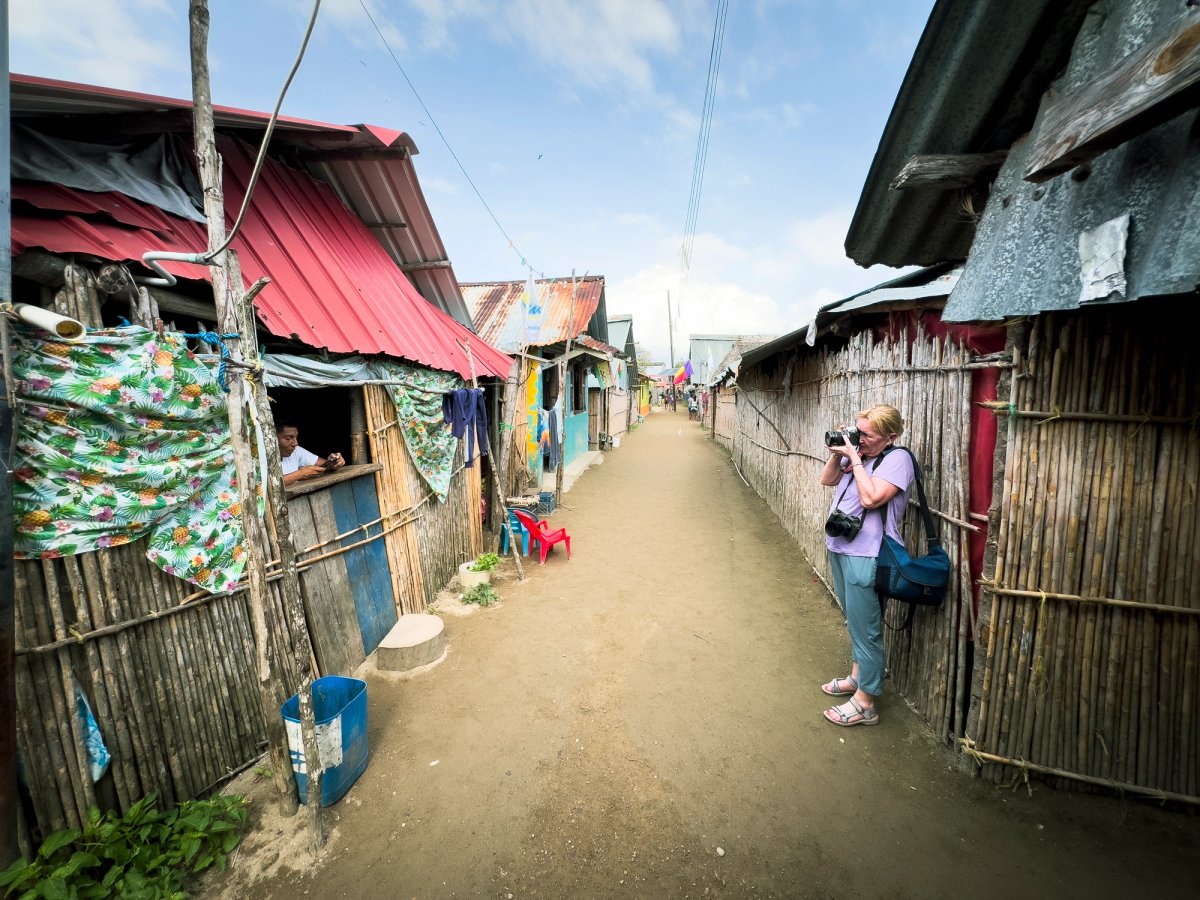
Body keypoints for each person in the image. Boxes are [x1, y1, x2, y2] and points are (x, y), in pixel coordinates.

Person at [817, 404, 913, 727]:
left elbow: (871, 499)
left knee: (868, 630)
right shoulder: (860, 455)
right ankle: (857, 677)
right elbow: (826, 480)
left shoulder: (897, 460)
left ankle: (866, 702)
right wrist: (839, 452)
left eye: (868, 436)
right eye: (859, 432)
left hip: (867, 554)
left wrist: (856, 460)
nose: (862, 440)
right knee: (855, 622)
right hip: (840, 547)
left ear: (890, 437)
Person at [276, 423, 345, 485]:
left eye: (296, 437)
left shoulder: (296, 450)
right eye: (288, 438)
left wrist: (333, 463)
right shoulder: (265, 460)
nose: (295, 443)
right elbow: (267, 487)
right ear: (273, 438)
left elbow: (323, 466)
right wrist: (300, 474)